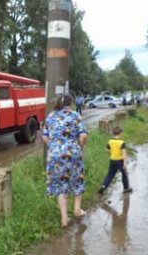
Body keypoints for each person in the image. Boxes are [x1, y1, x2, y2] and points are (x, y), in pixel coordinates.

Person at [42, 94, 88, 227]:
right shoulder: (75, 115)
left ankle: (64, 219)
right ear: (71, 103)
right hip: (73, 152)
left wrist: (53, 146)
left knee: (61, 183)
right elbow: (83, 136)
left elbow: (44, 137)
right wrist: (80, 145)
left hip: (55, 154)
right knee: (77, 179)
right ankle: (77, 210)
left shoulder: (51, 116)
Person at [98, 126, 132, 195]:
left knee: (110, 174)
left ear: (113, 133)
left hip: (112, 160)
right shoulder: (122, 142)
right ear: (120, 133)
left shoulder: (110, 141)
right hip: (120, 161)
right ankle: (126, 188)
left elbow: (107, 150)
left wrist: (111, 155)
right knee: (124, 174)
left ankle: (104, 186)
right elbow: (124, 153)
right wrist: (125, 162)